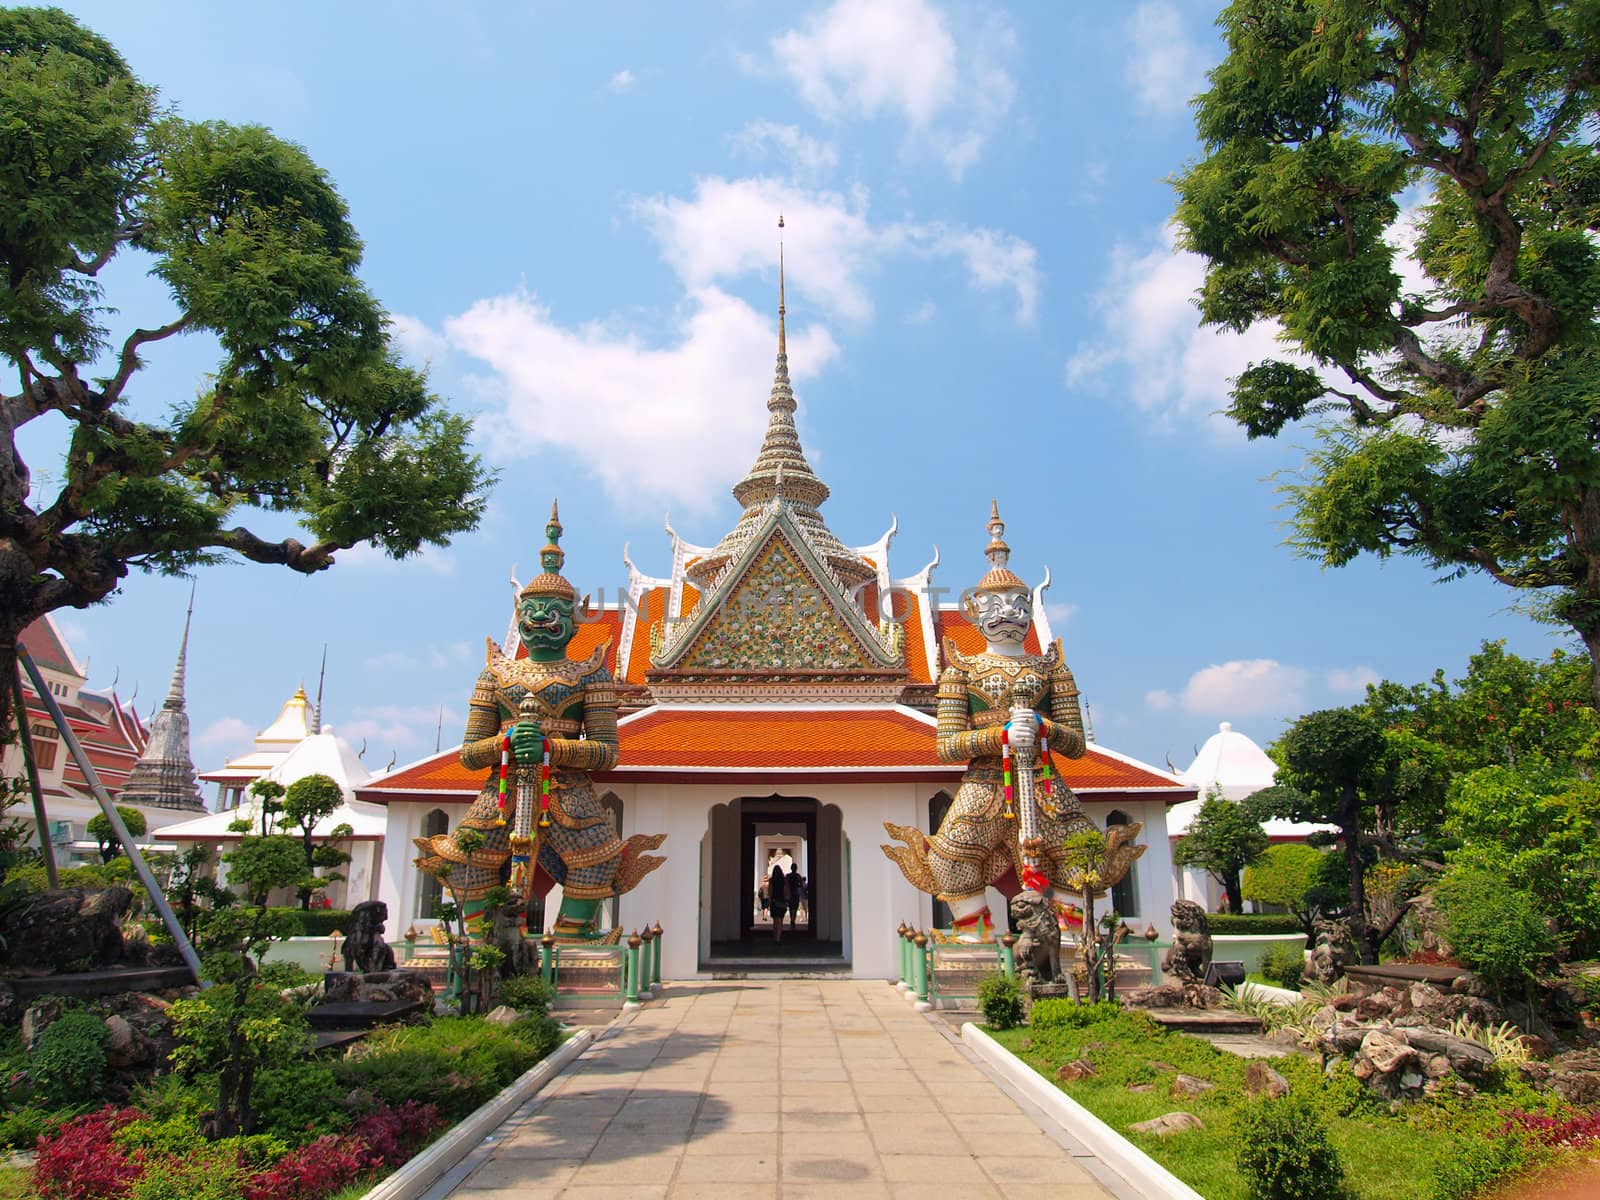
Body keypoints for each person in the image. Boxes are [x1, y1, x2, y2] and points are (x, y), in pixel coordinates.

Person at [769, 857, 787, 942]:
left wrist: (769, 902)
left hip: (774, 901)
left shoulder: (771, 880)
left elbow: (770, 892)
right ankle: (778, 938)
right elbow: (786, 891)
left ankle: (775, 936)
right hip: (782, 901)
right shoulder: (784, 880)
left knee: (775, 921)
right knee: (780, 920)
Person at [787, 863, 802, 930]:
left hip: (790, 893)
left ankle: (792, 919)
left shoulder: (788, 876)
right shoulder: (798, 876)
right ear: (796, 868)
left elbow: (786, 885)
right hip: (796, 893)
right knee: (795, 908)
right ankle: (793, 919)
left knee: (791, 907)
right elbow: (801, 885)